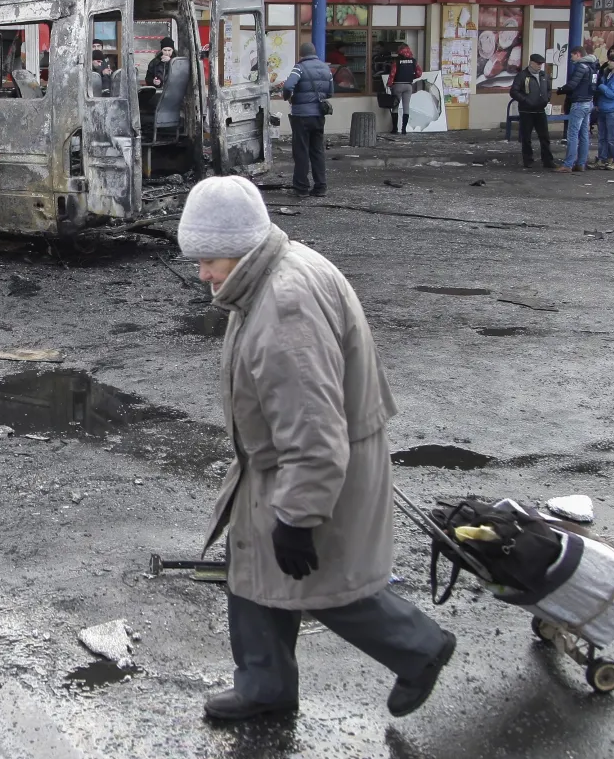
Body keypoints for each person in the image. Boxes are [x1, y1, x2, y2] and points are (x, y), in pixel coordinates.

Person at [176, 175, 456, 723]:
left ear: (241, 246)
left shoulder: (285, 309)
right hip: (285, 461)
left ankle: (418, 648)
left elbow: (314, 430)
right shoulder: (274, 269)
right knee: (252, 566)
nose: (202, 274)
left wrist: (299, 516)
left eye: (209, 259)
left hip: (315, 466)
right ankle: (265, 686)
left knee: (323, 578)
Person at [281, 42, 333, 198]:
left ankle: (301, 188)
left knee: (301, 151)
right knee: (317, 151)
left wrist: (287, 97)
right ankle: (320, 187)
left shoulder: (299, 68)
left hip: (301, 116)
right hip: (318, 116)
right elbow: (330, 92)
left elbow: (288, 86)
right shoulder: (326, 68)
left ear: (301, 54)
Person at [556, 46, 597, 173]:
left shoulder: (581, 67)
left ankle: (568, 164)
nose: (571, 58)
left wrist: (561, 90)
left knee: (572, 134)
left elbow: (573, 85)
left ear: (578, 54)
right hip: (588, 102)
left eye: (572, 55)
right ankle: (581, 163)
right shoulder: (593, 67)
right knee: (584, 134)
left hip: (579, 103)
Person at [509, 53, 554, 169]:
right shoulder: (522, 76)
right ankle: (528, 160)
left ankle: (548, 161)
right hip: (526, 111)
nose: (540, 66)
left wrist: (546, 98)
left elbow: (549, 89)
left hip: (540, 110)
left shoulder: (544, 76)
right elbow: (514, 92)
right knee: (526, 137)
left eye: (541, 64)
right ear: (531, 63)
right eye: (538, 64)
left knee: (545, 137)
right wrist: (526, 101)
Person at [385, 45, 419, 135]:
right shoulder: (413, 61)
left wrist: (389, 84)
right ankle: (404, 129)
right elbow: (419, 73)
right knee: (406, 107)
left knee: (395, 106)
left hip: (397, 85)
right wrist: (412, 76)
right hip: (408, 86)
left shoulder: (396, 61)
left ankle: (395, 129)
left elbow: (392, 74)